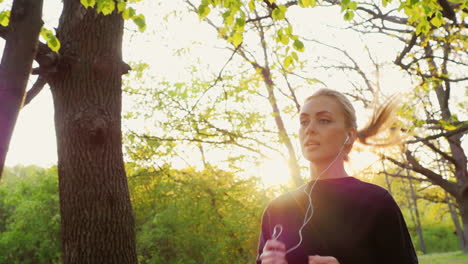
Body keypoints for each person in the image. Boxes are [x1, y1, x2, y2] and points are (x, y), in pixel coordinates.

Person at [256, 88, 418, 264]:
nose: (310, 129)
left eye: (323, 120)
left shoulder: (377, 202)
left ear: (349, 136)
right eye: (304, 121)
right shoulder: (277, 209)